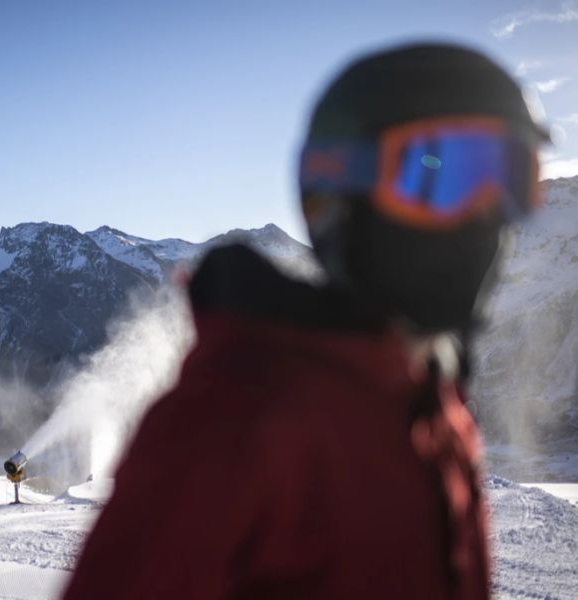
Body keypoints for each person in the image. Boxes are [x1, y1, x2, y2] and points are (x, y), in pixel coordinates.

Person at [63, 43, 547, 600]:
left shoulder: (437, 408)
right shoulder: (235, 418)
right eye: (433, 175)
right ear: (340, 190)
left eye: (512, 178)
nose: (482, 216)